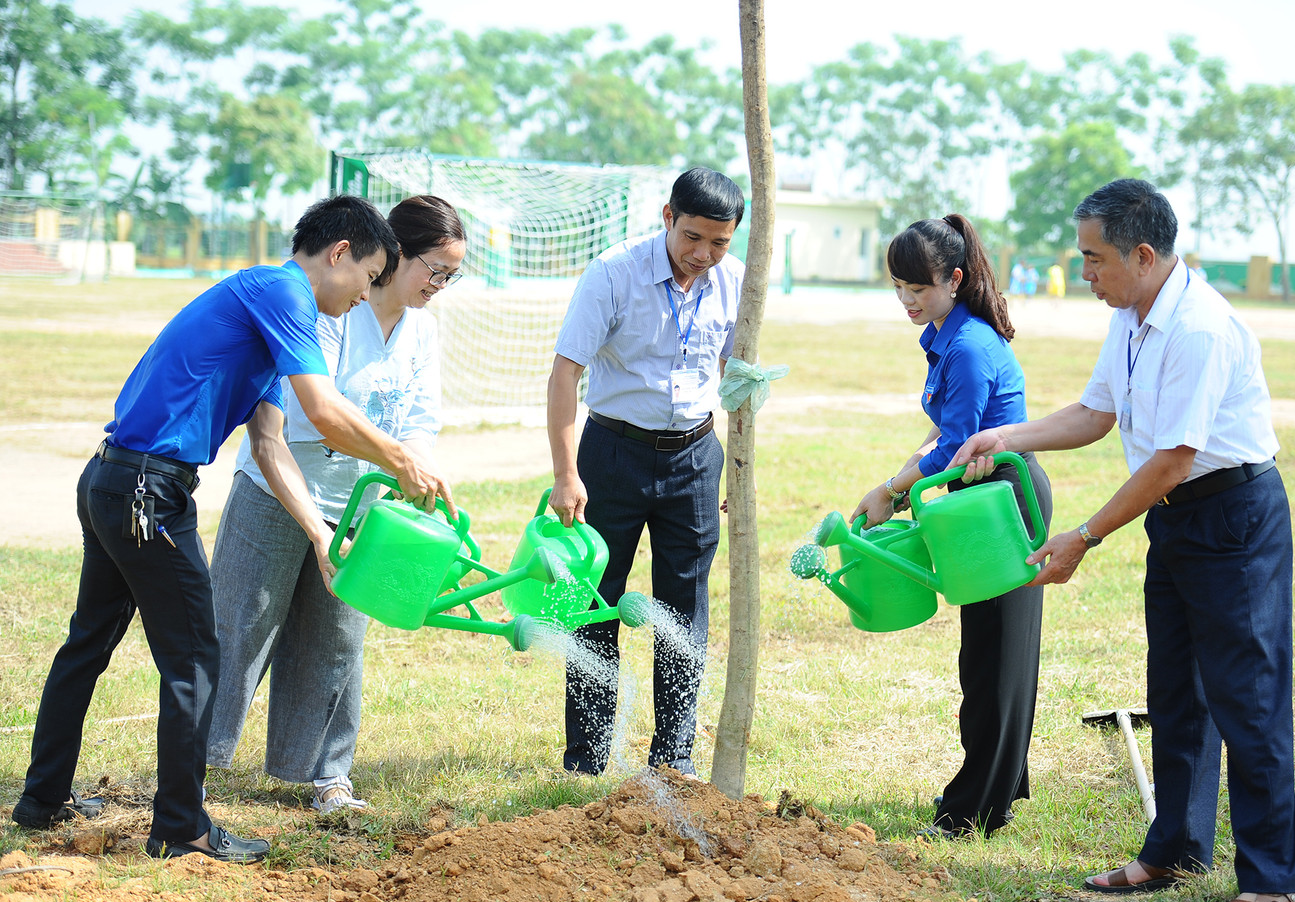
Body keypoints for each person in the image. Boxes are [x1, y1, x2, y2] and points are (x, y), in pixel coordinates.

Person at [9, 195, 455, 864]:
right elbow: (325, 413)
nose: (366, 296)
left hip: (117, 479)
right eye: (366, 277)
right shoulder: (280, 289)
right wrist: (400, 458)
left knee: (88, 643)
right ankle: (182, 825)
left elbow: (272, 444)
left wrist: (316, 536)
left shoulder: (275, 321)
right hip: (144, 490)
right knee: (194, 655)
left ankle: (42, 799)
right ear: (339, 254)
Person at [951, 179, 1295, 902]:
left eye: (1094, 258)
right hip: (1175, 520)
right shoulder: (1132, 313)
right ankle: (1175, 848)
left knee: (1248, 696)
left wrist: (1082, 535)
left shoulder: (1200, 328)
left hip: (1232, 517)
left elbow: (1175, 458)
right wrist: (1004, 436)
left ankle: (1274, 877)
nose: (1086, 273)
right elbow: (1094, 412)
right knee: (1177, 690)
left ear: (1143, 255)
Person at [206, 195, 465, 813]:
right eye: (435, 269)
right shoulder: (325, 309)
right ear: (394, 254)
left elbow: (421, 417)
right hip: (280, 488)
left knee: (340, 635)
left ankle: (326, 774)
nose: (440, 285)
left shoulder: (422, 330)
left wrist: (416, 462)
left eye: (452, 275)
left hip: (359, 506)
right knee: (241, 624)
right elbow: (316, 416)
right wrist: (395, 458)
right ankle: (197, 759)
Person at [850, 216, 1052, 838]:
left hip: (1001, 497)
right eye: (899, 287)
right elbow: (944, 434)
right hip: (976, 498)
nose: (908, 301)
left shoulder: (966, 346)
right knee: (986, 655)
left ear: (955, 279)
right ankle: (1001, 785)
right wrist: (904, 476)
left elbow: (960, 446)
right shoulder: (945, 333)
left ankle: (975, 809)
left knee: (997, 662)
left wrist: (894, 489)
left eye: (921, 288)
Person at [546, 166, 744, 777]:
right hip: (611, 454)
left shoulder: (736, 281)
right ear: (667, 217)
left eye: (719, 242)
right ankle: (587, 756)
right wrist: (565, 473)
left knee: (684, 606)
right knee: (594, 602)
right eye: (692, 237)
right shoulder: (613, 272)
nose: (702, 254)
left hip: (695, 455)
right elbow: (564, 374)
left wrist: (734, 465)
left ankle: (674, 758)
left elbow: (737, 376)